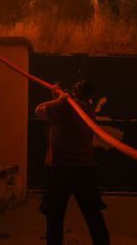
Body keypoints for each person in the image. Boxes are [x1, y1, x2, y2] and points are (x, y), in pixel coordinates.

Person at [35, 80, 109, 245]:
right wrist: (61, 97)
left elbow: (38, 110)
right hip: (85, 170)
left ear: (73, 94)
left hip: (60, 170)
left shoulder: (63, 107)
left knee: (55, 216)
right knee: (93, 215)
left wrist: (59, 99)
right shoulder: (90, 112)